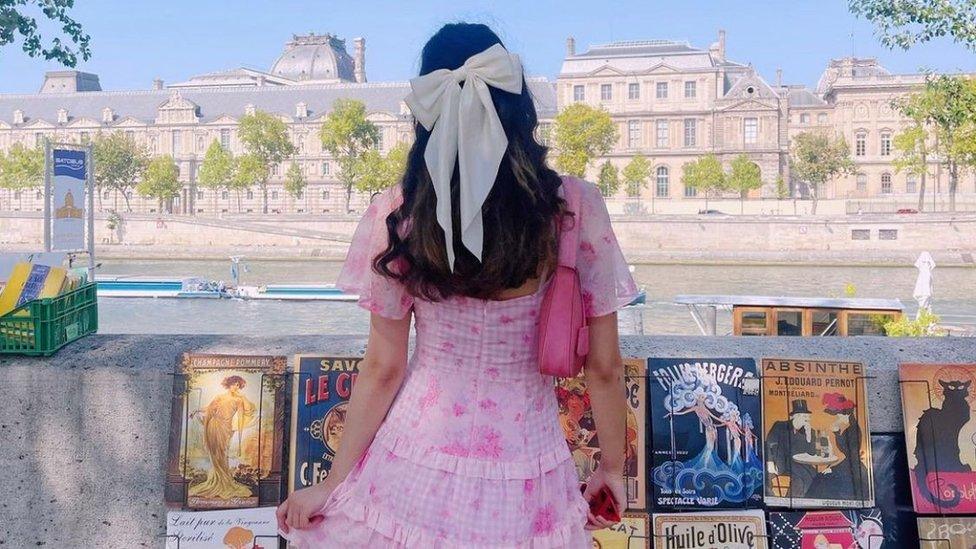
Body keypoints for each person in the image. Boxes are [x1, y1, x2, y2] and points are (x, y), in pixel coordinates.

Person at [277, 22, 639, 548]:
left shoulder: (401, 212)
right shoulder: (572, 207)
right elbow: (603, 368)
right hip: (528, 468)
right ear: (514, 103)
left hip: (414, 458)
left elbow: (382, 369)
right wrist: (610, 470)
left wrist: (332, 486)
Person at [765, 399, 817, 498]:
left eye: (807, 417)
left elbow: (812, 453)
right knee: (805, 478)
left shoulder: (810, 431)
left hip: (800, 464)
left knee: (813, 477)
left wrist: (809, 436)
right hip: (781, 462)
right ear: (795, 416)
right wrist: (770, 462)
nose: (807, 420)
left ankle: (795, 501)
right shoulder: (780, 426)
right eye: (804, 416)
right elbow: (769, 444)